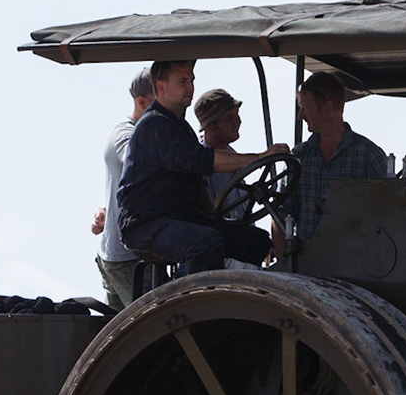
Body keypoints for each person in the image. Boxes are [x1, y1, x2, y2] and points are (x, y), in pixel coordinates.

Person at [117, 60, 285, 274]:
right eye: (183, 82)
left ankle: (237, 288)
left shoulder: (180, 128)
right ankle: (195, 294)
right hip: (146, 223)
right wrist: (260, 158)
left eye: (192, 81)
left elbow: (199, 185)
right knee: (205, 243)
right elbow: (204, 160)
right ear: (161, 87)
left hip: (181, 218)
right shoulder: (155, 126)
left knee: (255, 239)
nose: (190, 87)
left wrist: (217, 219)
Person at [291, 71, 388, 243]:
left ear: (327, 107)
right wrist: (285, 257)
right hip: (305, 258)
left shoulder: (369, 156)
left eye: (305, 108)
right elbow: (282, 214)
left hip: (354, 258)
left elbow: (388, 216)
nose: (300, 116)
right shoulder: (298, 157)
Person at [92, 67, 155, 309]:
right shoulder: (126, 134)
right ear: (142, 102)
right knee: (153, 321)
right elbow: (138, 160)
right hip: (128, 257)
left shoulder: (150, 136)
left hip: (122, 252)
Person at [196, 88, 250, 221]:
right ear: (210, 125)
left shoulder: (235, 157)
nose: (238, 122)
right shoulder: (199, 163)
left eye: (237, 114)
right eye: (229, 118)